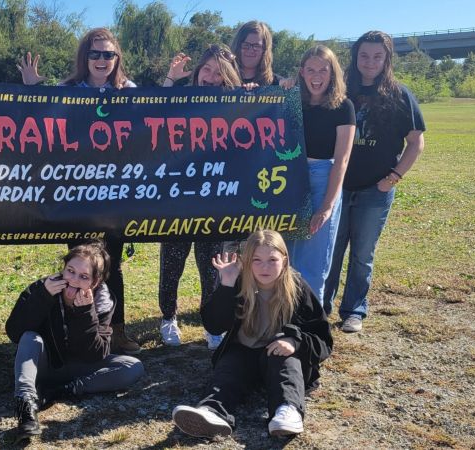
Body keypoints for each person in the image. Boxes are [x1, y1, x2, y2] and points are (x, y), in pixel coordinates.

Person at [16, 27, 140, 354]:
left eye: (108, 54)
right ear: (85, 57)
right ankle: (77, 326)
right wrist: (33, 88)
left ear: (117, 58)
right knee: (82, 262)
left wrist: (170, 85)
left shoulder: (129, 90)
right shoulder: (67, 89)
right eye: (95, 54)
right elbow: (44, 117)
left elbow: (153, 120)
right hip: (77, 193)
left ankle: (116, 330)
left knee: (112, 263)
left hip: (116, 193)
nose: (102, 60)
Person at [170, 230, 332, 439]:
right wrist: (226, 285)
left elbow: (323, 338)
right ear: (246, 261)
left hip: (276, 354)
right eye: (257, 260)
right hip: (244, 352)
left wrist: (294, 341)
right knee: (228, 369)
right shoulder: (237, 284)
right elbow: (214, 326)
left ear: (284, 260)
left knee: (286, 362)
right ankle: (212, 412)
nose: (264, 267)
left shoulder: (297, 288)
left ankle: (287, 410)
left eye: (272, 260)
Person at [324, 31, 426, 333]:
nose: (370, 62)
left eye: (377, 56)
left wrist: (393, 178)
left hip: (375, 190)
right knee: (331, 249)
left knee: (362, 254)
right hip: (338, 187)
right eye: (364, 55)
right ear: (356, 57)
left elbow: (416, 142)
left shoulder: (399, 95)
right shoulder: (339, 91)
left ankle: (354, 310)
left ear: (386, 59)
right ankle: (320, 306)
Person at [5, 241, 145, 440]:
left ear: (95, 282)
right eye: (70, 271)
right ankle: (26, 405)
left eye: (84, 276)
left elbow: (96, 354)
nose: (74, 280)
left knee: (134, 366)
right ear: (63, 268)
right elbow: (14, 332)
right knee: (29, 338)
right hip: (47, 365)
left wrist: (84, 313)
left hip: (81, 368)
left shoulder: (103, 300)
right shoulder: (42, 287)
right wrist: (43, 297)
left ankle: (62, 391)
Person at [156, 44, 241, 349]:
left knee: (212, 268)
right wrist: (170, 79)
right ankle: (168, 317)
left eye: (218, 72)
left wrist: (251, 92)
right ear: (197, 72)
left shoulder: (234, 102)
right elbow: (152, 111)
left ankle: (212, 324)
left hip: (215, 200)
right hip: (178, 196)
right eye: (206, 69)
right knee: (172, 265)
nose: (210, 76)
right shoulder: (179, 97)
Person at [284, 45, 355, 308]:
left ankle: (310, 326)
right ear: (302, 72)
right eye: (310, 69)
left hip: (323, 176)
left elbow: (342, 160)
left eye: (323, 70)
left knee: (314, 260)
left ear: (332, 72)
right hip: (290, 177)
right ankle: (284, 318)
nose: (316, 76)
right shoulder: (291, 101)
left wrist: (326, 207)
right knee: (285, 254)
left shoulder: (343, 107)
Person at [230, 21, 281, 86]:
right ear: (237, 46)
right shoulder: (222, 80)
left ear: (265, 50)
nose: (251, 50)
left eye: (256, 46)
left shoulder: (277, 85)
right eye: (246, 45)